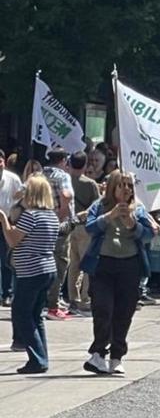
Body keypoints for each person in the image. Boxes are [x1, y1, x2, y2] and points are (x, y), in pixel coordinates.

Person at [80, 171, 155, 375]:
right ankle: (98, 353)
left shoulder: (138, 209)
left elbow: (149, 234)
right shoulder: (100, 205)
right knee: (103, 309)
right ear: (113, 187)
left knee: (124, 313)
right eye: (122, 185)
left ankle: (117, 356)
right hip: (102, 264)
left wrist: (133, 224)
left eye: (130, 185)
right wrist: (110, 216)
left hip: (129, 265)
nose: (127, 189)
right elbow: (90, 227)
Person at [0, 176, 61, 374]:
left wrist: (3, 220)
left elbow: (12, 240)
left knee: (21, 314)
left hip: (31, 270)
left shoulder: (31, 216)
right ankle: (41, 357)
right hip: (47, 268)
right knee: (36, 315)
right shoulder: (51, 215)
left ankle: (37, 359)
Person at [65, 151, 101, 317]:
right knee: (87, 264)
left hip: (67, 225)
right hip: (85, 226)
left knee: (72, 264)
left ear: (70, 164)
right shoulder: (91, 184)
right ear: (85, 165)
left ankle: (73, 298)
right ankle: (86, 299)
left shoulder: (64, 182)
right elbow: (97, 206)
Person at [42, 148, 75, 320]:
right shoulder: (62, 176)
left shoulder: (38, 175)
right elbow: (66, 195)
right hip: (59, 227)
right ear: (63, 160)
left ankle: (43, 302)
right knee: (59, 264)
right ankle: (53, 306)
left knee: (42, 264)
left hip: (40, 226)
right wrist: (62, 214)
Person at [0, 150, 22, 306]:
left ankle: (7, 293)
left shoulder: (13, 179)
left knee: (6, 259)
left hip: (6, 221)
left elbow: (20, 199)